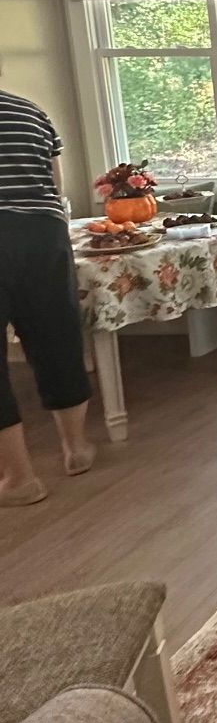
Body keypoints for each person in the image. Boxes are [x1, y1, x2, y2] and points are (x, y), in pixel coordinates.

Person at [0, 88, 94, 505]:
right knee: (56, 337)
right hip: (42, 233)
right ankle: (75, 449)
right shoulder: (30, 111)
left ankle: (19, 479)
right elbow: (54, 185)